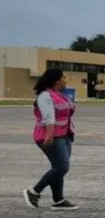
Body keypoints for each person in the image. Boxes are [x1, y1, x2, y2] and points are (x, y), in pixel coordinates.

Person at [23, 68, 79, 210]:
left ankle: (58, 201)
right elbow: (49, 117)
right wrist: (49, 136)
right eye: (64, 77)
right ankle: (34, 191)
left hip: (64, 135)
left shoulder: (58, 94)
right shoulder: (45, 96)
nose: (66, 80)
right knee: (62, 167)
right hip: (51, 136)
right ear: (57, 81)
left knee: (58, 167)